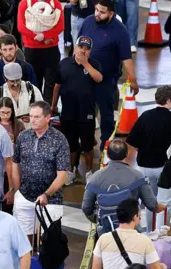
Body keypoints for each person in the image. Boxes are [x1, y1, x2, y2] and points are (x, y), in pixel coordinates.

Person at [78, 0, 139, 150]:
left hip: (106, 80)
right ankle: (87, 141)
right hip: (85, 77)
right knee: (85, 113)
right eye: (96, 10)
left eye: (102, 12)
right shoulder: (88, 22)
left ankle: (106, 146)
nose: (97, 14)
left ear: (111, 13)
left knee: (106, 116)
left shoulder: (120, 31)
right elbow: (78, 44)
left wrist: (133, 79)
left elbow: (126, 58)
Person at [126, 86, 171, 232]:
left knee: (149, 201)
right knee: (164, 203)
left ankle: (150, 232)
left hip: (144, 166)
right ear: (169, 100)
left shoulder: (145, 116)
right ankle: (162, 233)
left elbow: (132, 140)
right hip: (165, 169)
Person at [12, 101, 70, 239]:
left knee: (49, 243)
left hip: (51, 200)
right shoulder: (23, 137)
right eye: (31, 116)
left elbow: (62, 175)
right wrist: (17, 190)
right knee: (23, 240)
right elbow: (15, 163)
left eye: (37, 117)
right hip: (24, 197)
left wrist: (47, 194)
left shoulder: (59, 140)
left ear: (48, 118)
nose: (32, 120)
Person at [82, 139, 166, 233]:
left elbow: (86, 207)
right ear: (126, 154)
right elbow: (152, 205)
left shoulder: (95, 178)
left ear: (108, 155)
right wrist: (161, 207)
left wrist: (99, 219)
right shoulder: (137, 176)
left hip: (106, 231)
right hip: (132, 230)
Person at [51, 36, 103, 185]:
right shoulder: (64, 63)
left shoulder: (94, 64)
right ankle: (70, 171)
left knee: (87, 145)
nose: (83, 51)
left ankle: (88, 172)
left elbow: (99, 78)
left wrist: (86, 64)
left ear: (90, 51)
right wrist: (53, 105)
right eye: (81, 47)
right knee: (70, 145)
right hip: (68, 112)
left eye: (87, 49)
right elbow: (57, 86)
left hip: (86, 113)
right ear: (75, 47)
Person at [92, 199, 166, 269]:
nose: (140, 216)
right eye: (139, 213)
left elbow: (95, 267)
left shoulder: (103, 239)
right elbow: (155, 267)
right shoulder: (145, 241)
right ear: (135, 217)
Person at [17, 0, 64, 104]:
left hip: (51, 49)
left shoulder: (55, 3)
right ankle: (35, 111)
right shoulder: (24, 3)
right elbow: (21, 26)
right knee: (33, 84)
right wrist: (38, 37)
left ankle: (49, 113)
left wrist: (44, 36)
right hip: (32, 50)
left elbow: (60, 26)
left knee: (50, 84)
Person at [0, 62, 44, 128]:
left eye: (18, 80)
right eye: (12, 81)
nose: (15, 84)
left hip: (30, 132)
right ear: (5, 78)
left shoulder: (32, 90)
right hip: (7, 134)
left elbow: (42, 111)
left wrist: (32, 117)